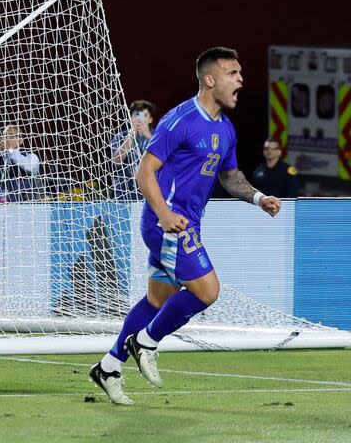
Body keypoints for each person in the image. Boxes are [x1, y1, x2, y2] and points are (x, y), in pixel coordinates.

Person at [88, 47, 282, 405]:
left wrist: (258, 198)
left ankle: (108, 367)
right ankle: (145, 342)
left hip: (185, 223)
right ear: (210, 80)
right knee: (208, 291)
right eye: (232, 73)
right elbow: (143, 173)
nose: (240, 79)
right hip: (168, 224)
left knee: (156, 300)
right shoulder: (179, 120)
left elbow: (230, 176)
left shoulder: (225, 129)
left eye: (240, 73)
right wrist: (163, 215)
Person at [0, 124, 40, 203]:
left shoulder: (30, 156)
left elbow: (31, 168)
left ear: (21, 141)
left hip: (22, 205)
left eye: (11, 136)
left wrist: (10, 150)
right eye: (5, 136)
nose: (7, 139)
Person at [111, 100, 156, 200]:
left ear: (150, 119)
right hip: (125, 192)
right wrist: (131, 135)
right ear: (131, 118)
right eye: (137, 115)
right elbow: (116, 161)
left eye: (144, 115)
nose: (140, 119)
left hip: (153, 189)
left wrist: (148, 136)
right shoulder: (121, 136)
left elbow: (167, 158)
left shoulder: (158, 135)